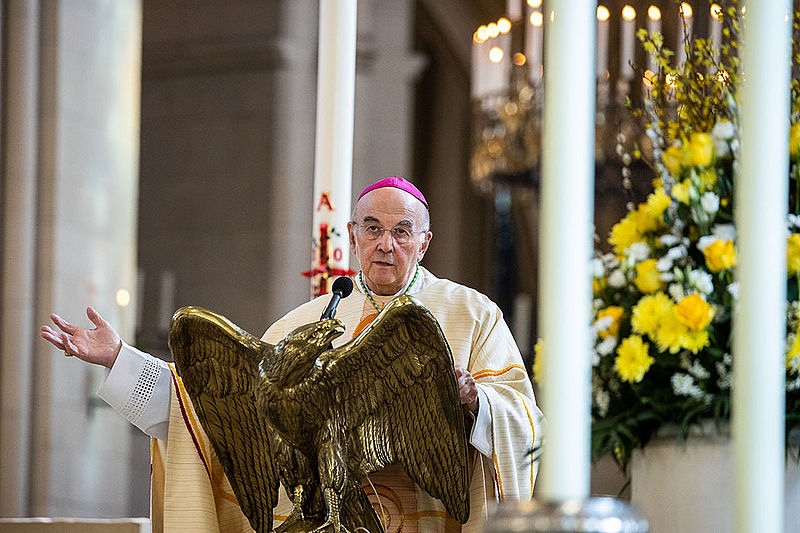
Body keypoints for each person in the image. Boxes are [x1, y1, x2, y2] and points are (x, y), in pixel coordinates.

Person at [41, 176, 544, 533]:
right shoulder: (305, 324)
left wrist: (476, 401)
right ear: (352, 236)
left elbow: (523, 416)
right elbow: (210, 404)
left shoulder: (471, 313)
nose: (385, 243)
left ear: (424, 241)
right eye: (372, 228)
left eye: (401, 231)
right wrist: (120, 361)